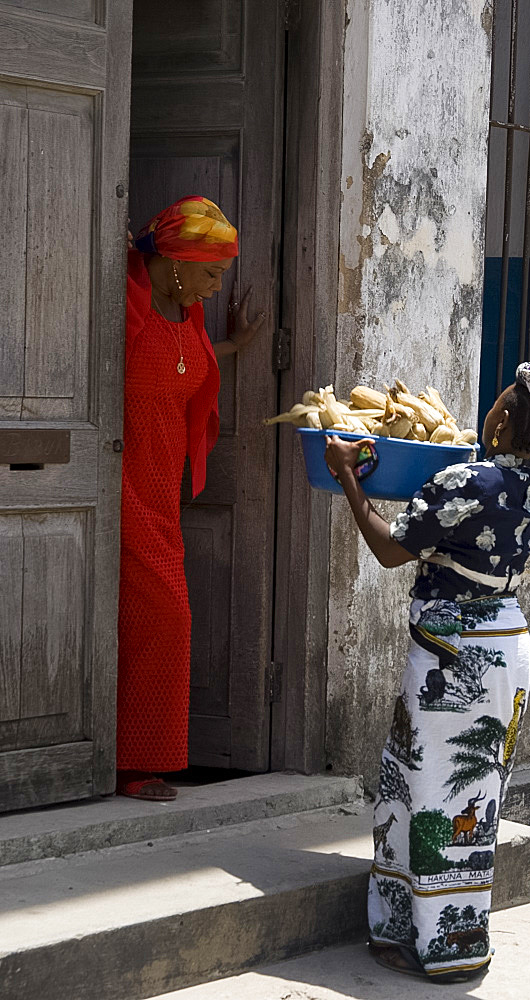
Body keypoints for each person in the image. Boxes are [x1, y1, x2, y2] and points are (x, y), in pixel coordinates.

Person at [324, 363, 530, 985]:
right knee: (471, 794)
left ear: (504, 418)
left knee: (426, 786)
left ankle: (431, 945)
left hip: (455, 653)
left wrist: (347, 480)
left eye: (497, 406)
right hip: (507, 651)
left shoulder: (465, 480)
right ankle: (442, 937)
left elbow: (391, 549)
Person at [116, 196, 266, 801]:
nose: (214, 287)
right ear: (175, 261)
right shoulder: (124, 303)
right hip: (119, 481)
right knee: (167, 614)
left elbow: (184, 364)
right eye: (210, 273)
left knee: (142, 617)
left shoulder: (188, 314)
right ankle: (132, 764)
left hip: (162, 489)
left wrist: (235, 347)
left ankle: (130, 755)